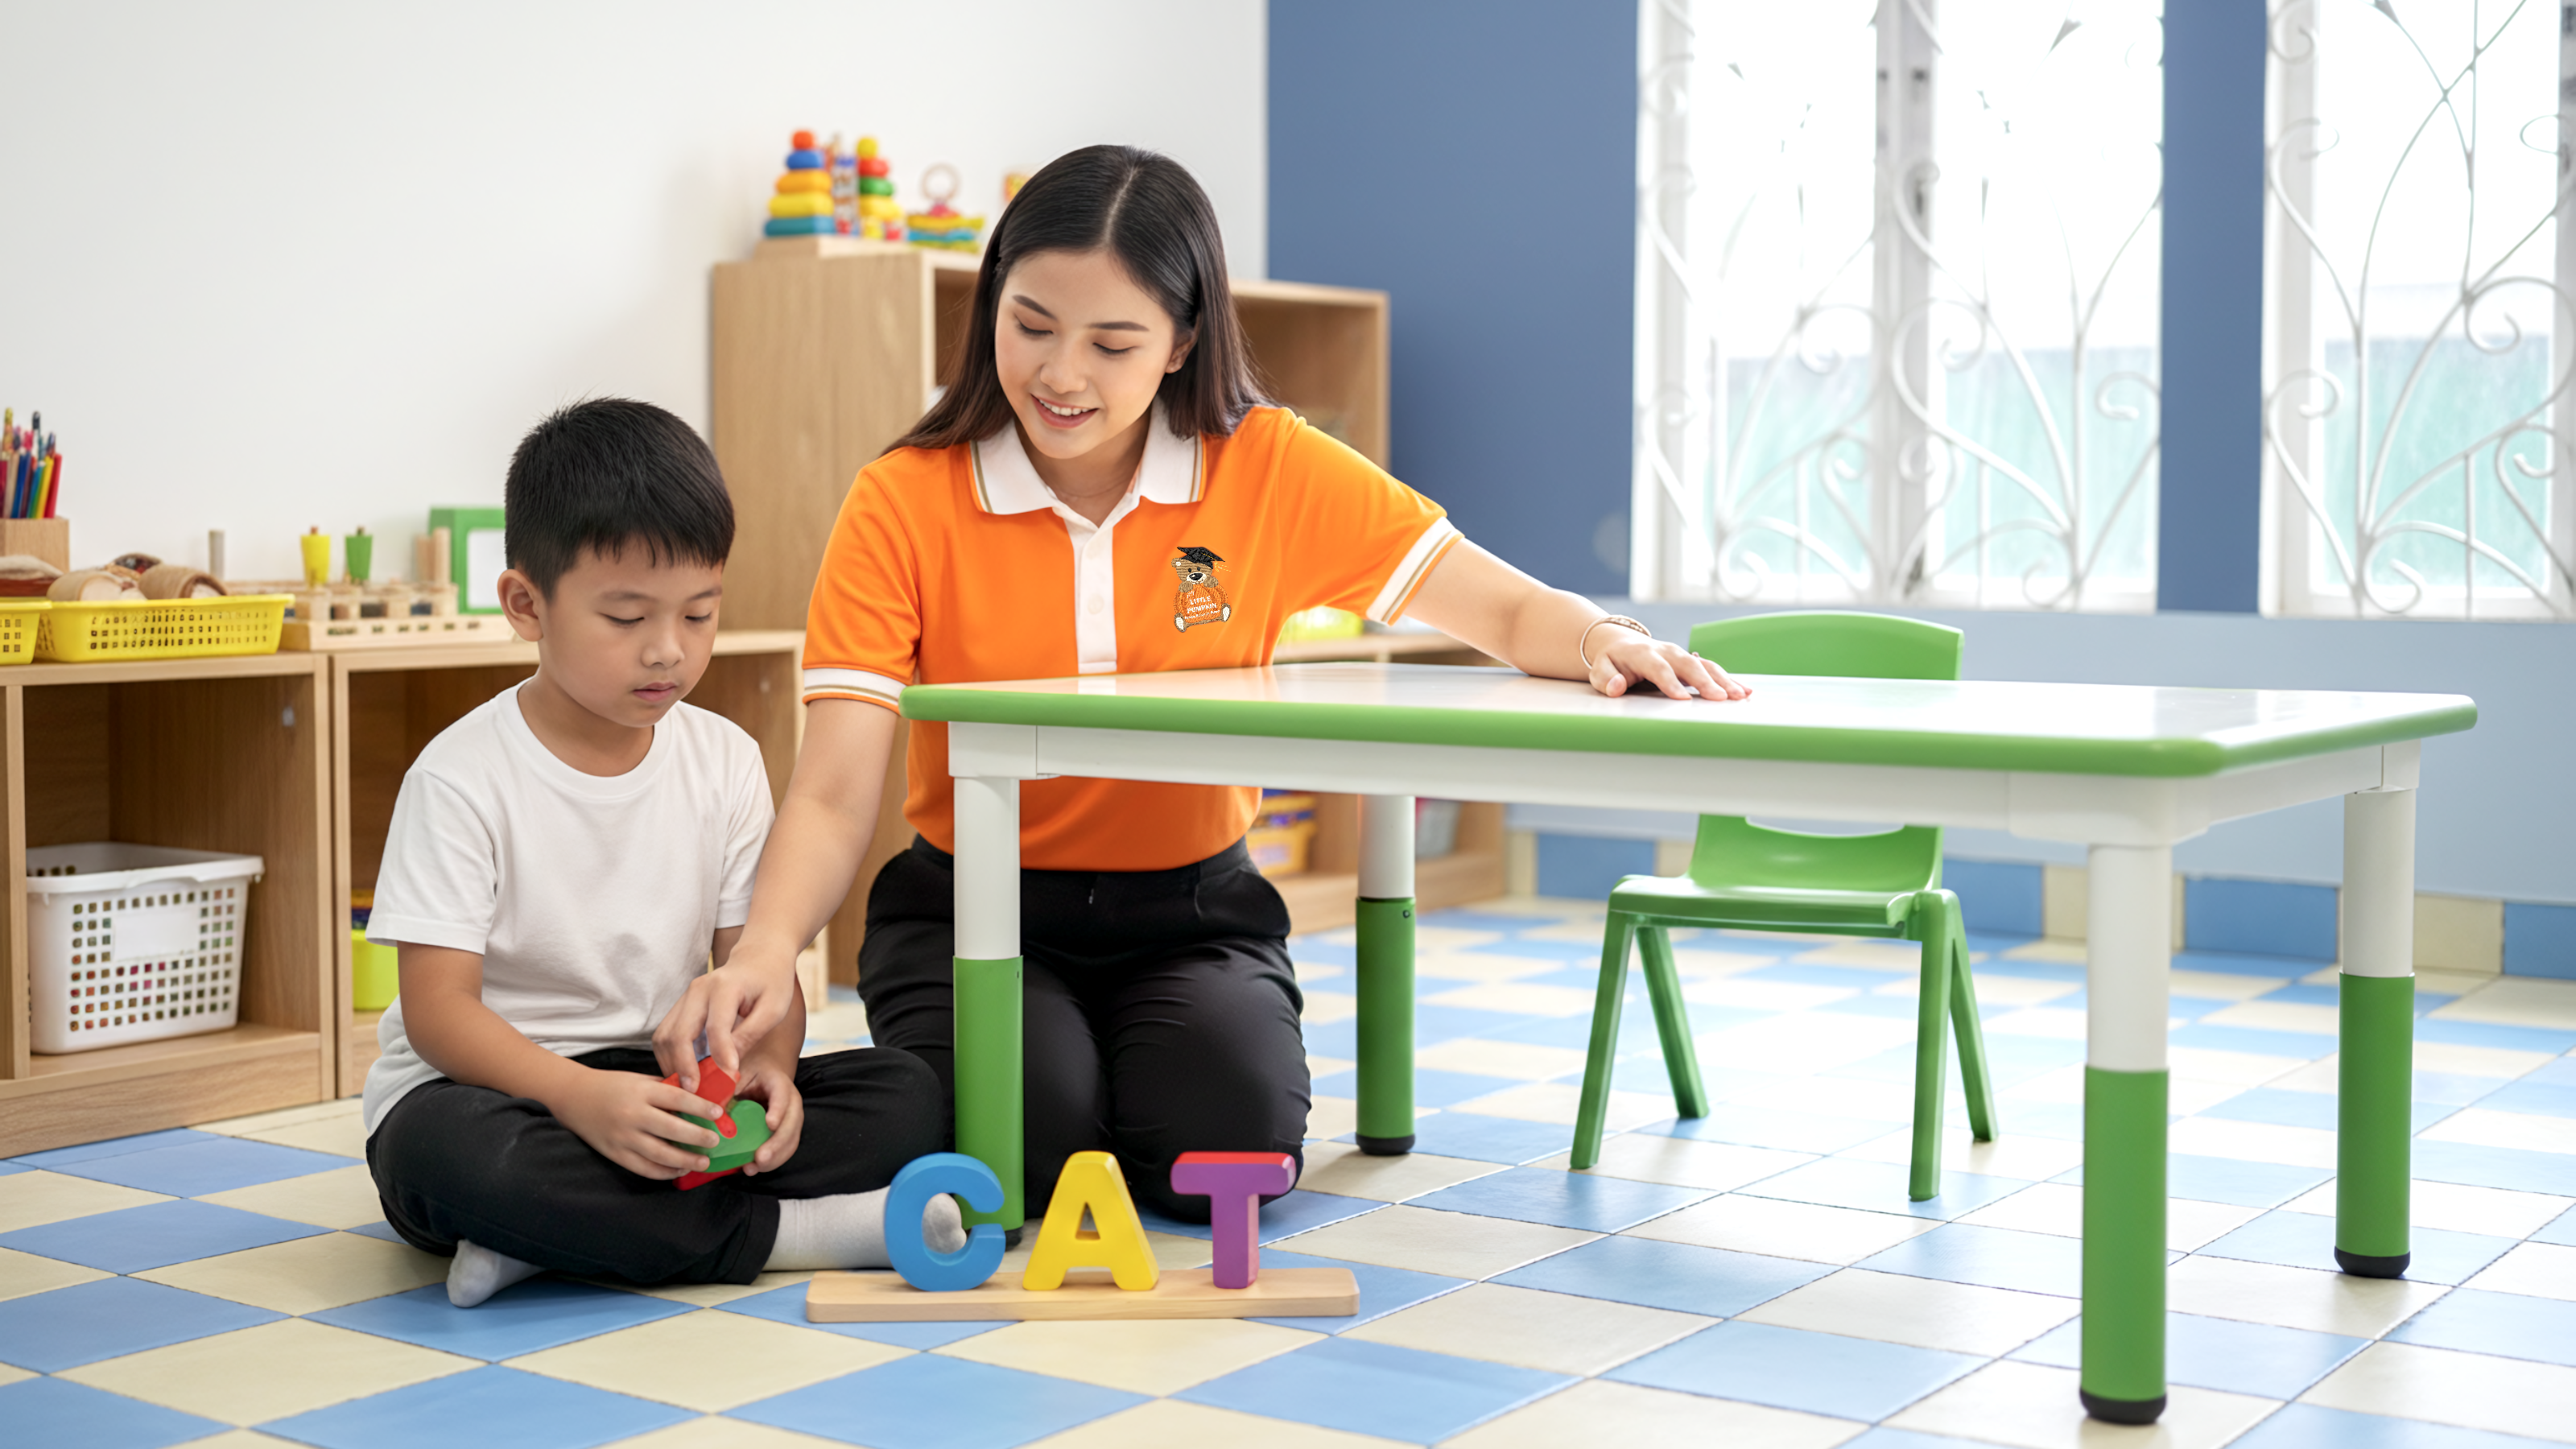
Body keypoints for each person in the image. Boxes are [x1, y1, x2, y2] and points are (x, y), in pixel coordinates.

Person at [658, 145, 1750, 1220]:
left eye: (1112, 342)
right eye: (1029, 323)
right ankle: (1050, 1090)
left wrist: (1605, 634)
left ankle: (1109, 1084)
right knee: (1025, 1152)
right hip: (973, 907)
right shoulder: (903, 498)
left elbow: (1505, 608)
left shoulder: (1268, 466)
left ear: (1182, 342)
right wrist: (768, 952)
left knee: (1228, 1158)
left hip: (1190, 911)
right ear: (990, 299)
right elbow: (839, 786)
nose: (1060, 374)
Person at [362, 398, 956, 1305]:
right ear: (527, 604)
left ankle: (561, 1240)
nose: (668, 652)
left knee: (908, 1093)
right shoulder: (461, 776)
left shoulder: (722, 758)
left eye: (699, 614)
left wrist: (771, 1069)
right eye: (627, 617)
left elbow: (751, 967)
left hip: (666, 1083)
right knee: (448, 1159)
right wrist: (575, 1098)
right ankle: (800, 1234)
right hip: (499, 1091)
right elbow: (439, 1013)